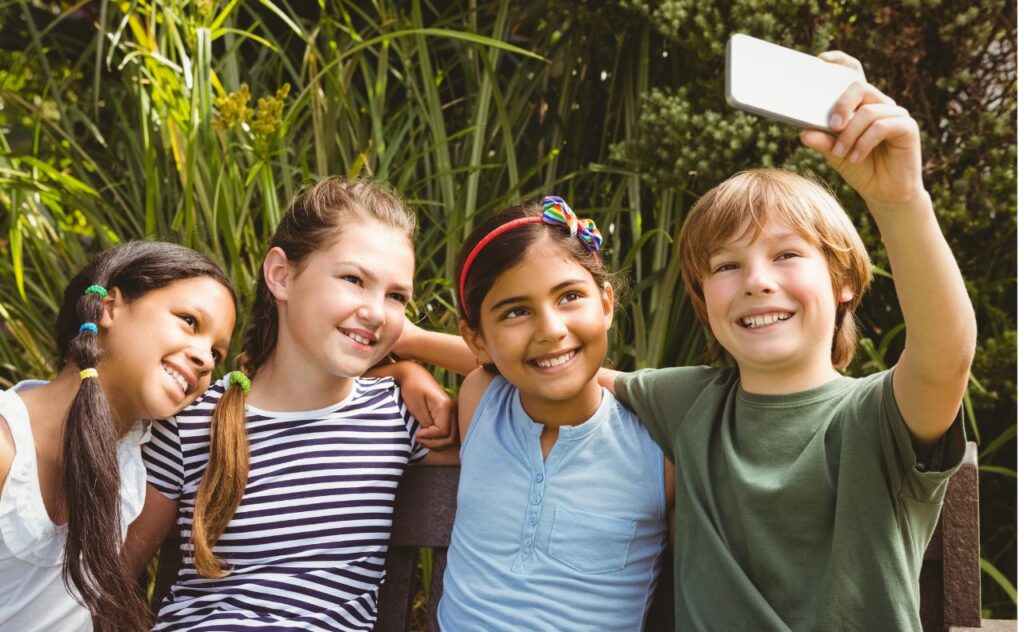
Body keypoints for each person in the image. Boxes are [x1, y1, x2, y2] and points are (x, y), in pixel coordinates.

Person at [609, 68, 975, 629]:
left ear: (843, 281)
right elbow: (565, 371)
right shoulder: (688, 400)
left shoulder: (878, 417)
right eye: (727, 266)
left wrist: (899, 199)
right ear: (705, 304)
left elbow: (945, 356)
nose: (756, 280)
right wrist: (417, 354)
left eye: (786, 255)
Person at [125, 177, 457, 631]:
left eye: (396, 296)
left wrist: (410, 346)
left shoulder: (397, 416)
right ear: (281, 275)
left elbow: (532, 373)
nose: (377, 310)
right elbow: (112, 580)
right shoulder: (192, 422)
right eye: (354, 280)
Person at [417, 197, 675, 630]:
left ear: (606, 304)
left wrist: (409, 343)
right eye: (516, 311)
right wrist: (406, 357)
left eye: (570, 296)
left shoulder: (658, 450)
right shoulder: (482, 400)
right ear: (476, 339)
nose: (551, 330)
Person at [0, 242, 236, 632]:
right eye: (190, 321)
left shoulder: (143, 466)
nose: (206, 359)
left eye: (217, 353)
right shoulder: (9, 445)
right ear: (109, 308)